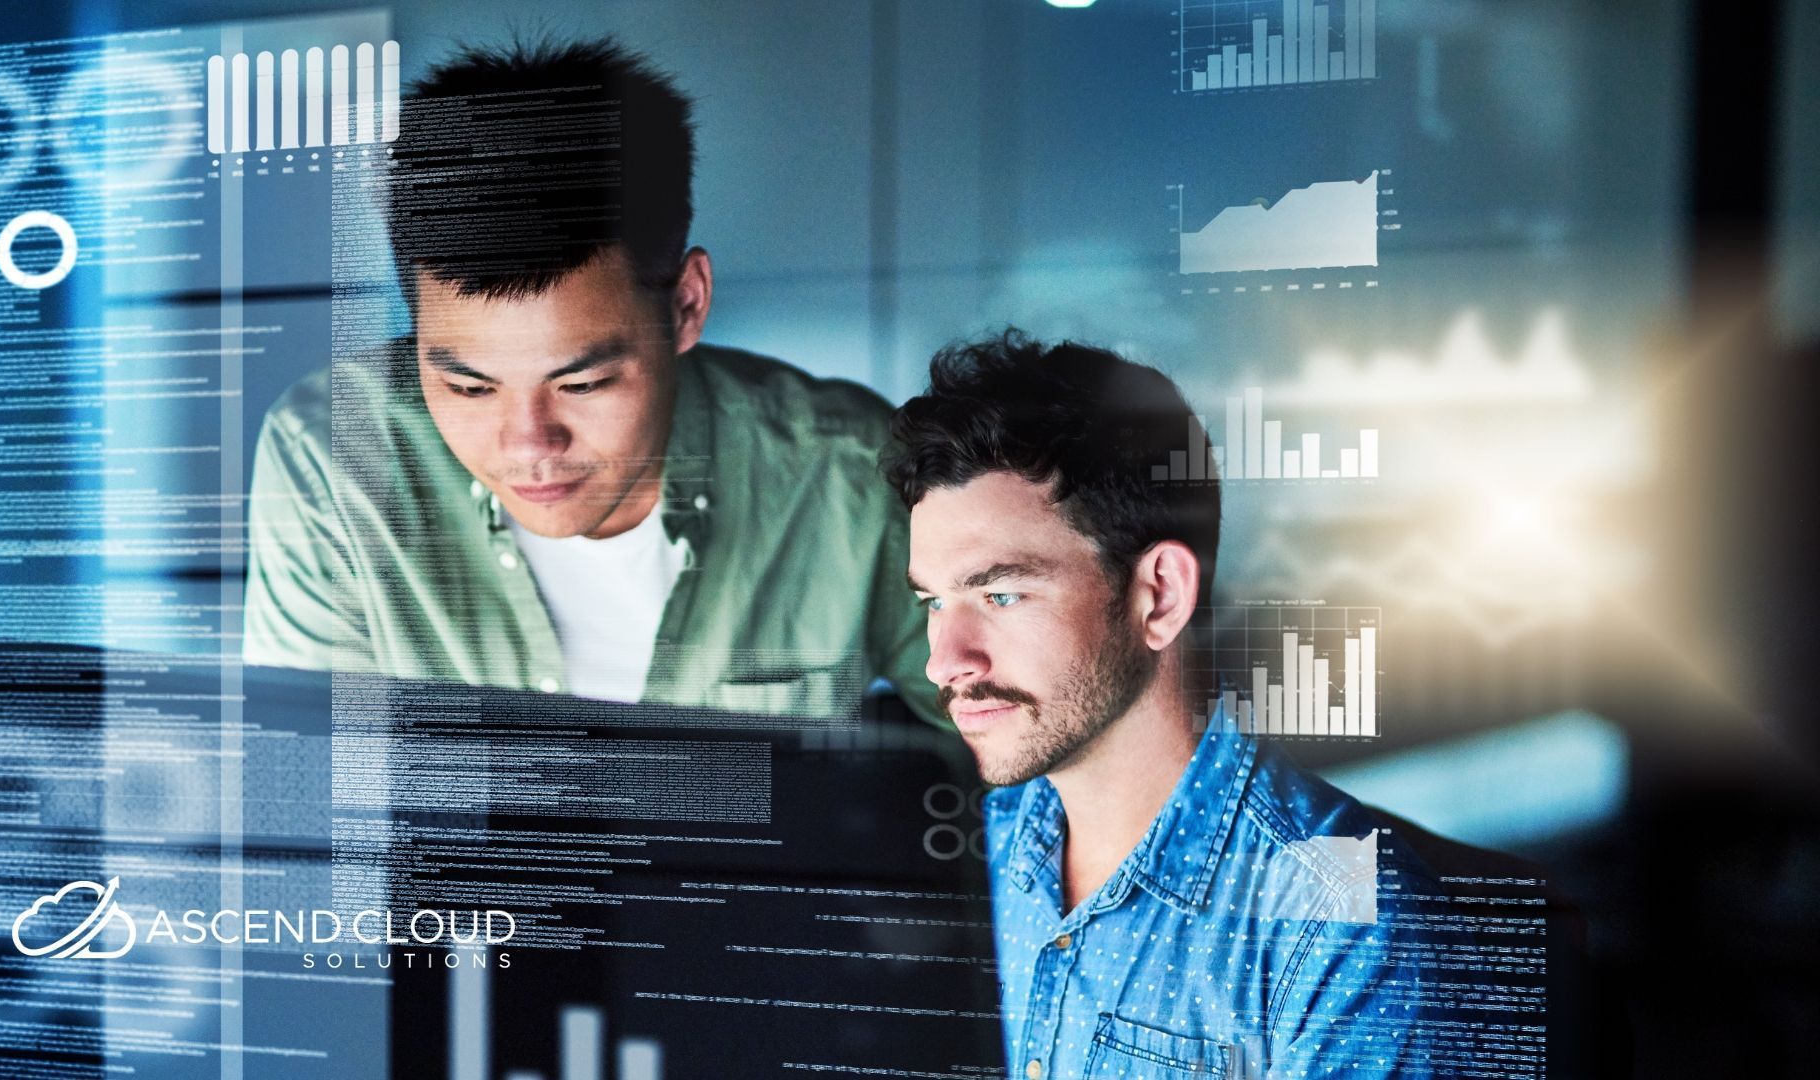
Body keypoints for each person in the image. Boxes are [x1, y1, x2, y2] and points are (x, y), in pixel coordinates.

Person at [244, 38, 935, 722]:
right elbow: (312, 788)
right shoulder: (334, 454)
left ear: (686, 304)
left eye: (583, 383)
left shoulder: (845, 475)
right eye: (469, 387)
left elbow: (1014, 773)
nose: (528, 444)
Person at [887, 331, 1452, 1077]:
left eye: (1000, 593)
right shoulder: (969, 851)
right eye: (934, 601)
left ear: (1160, 596)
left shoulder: (1339, 923)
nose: (945, 660)